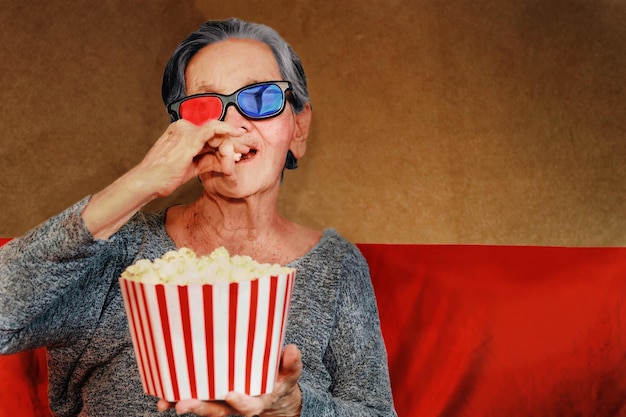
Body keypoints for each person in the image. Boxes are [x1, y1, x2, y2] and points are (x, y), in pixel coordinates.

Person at [0, 18, 397, 417]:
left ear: (299, 127)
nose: (232, 124)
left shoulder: (337, 266)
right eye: (205, 108)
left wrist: (296, 407)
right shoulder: (118, 248)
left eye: (260, 98)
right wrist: (141, 182)